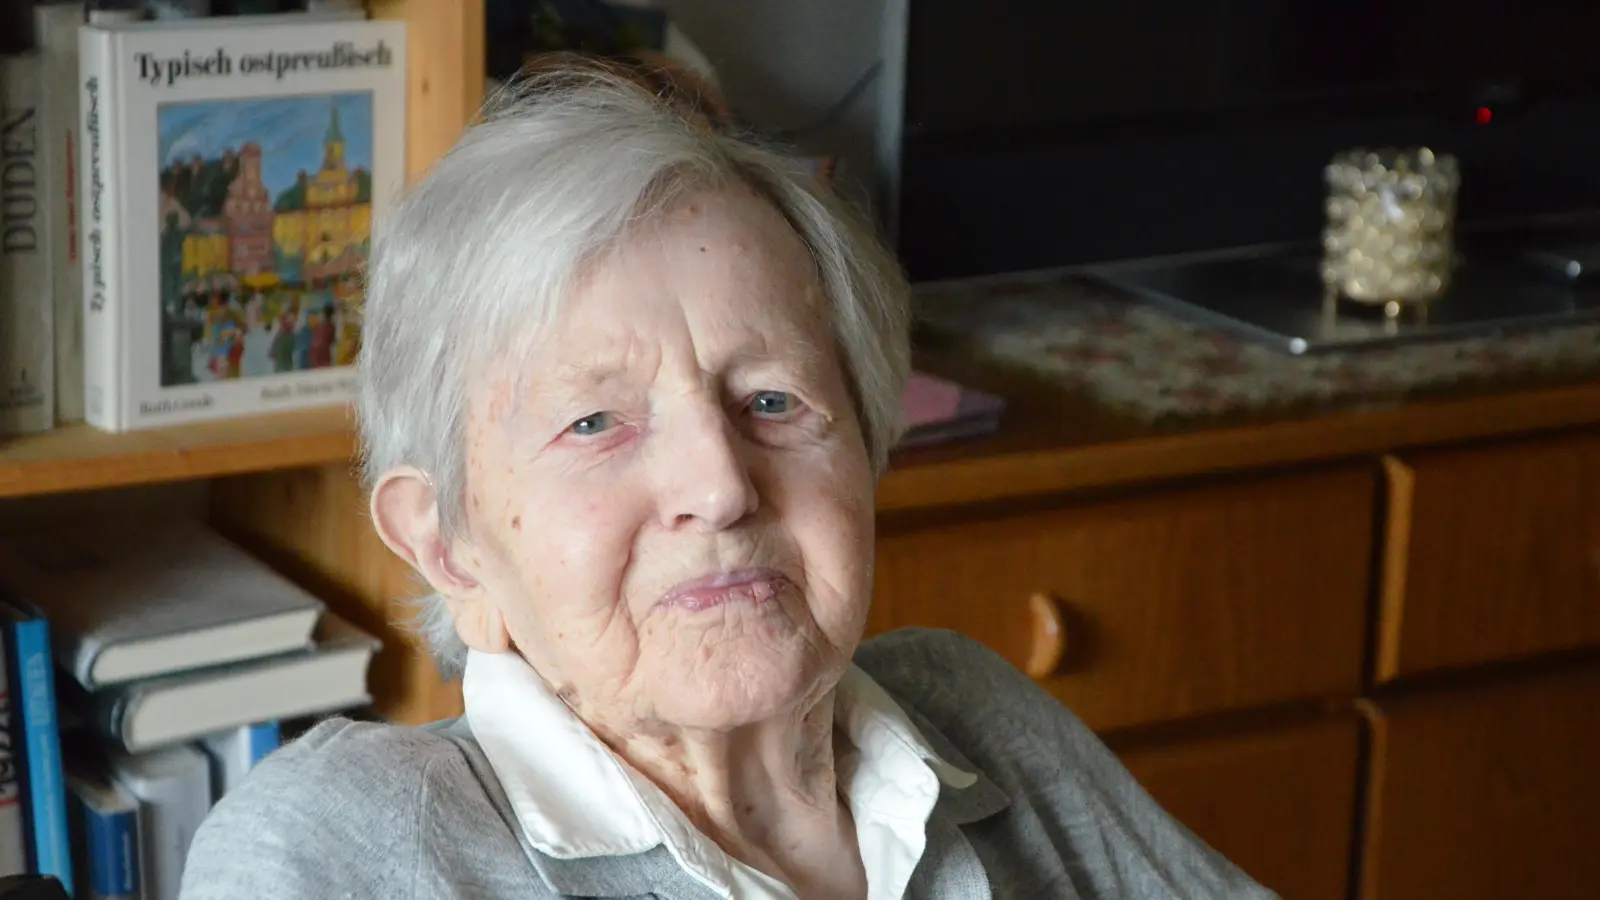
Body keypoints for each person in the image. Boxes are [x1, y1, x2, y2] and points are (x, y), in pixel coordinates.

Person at [179, 62, 1277, 900]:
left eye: (772, 402)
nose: (719, 485)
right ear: (446, 544)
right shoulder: (350, 847)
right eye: (595, 423)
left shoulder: (971, 720)